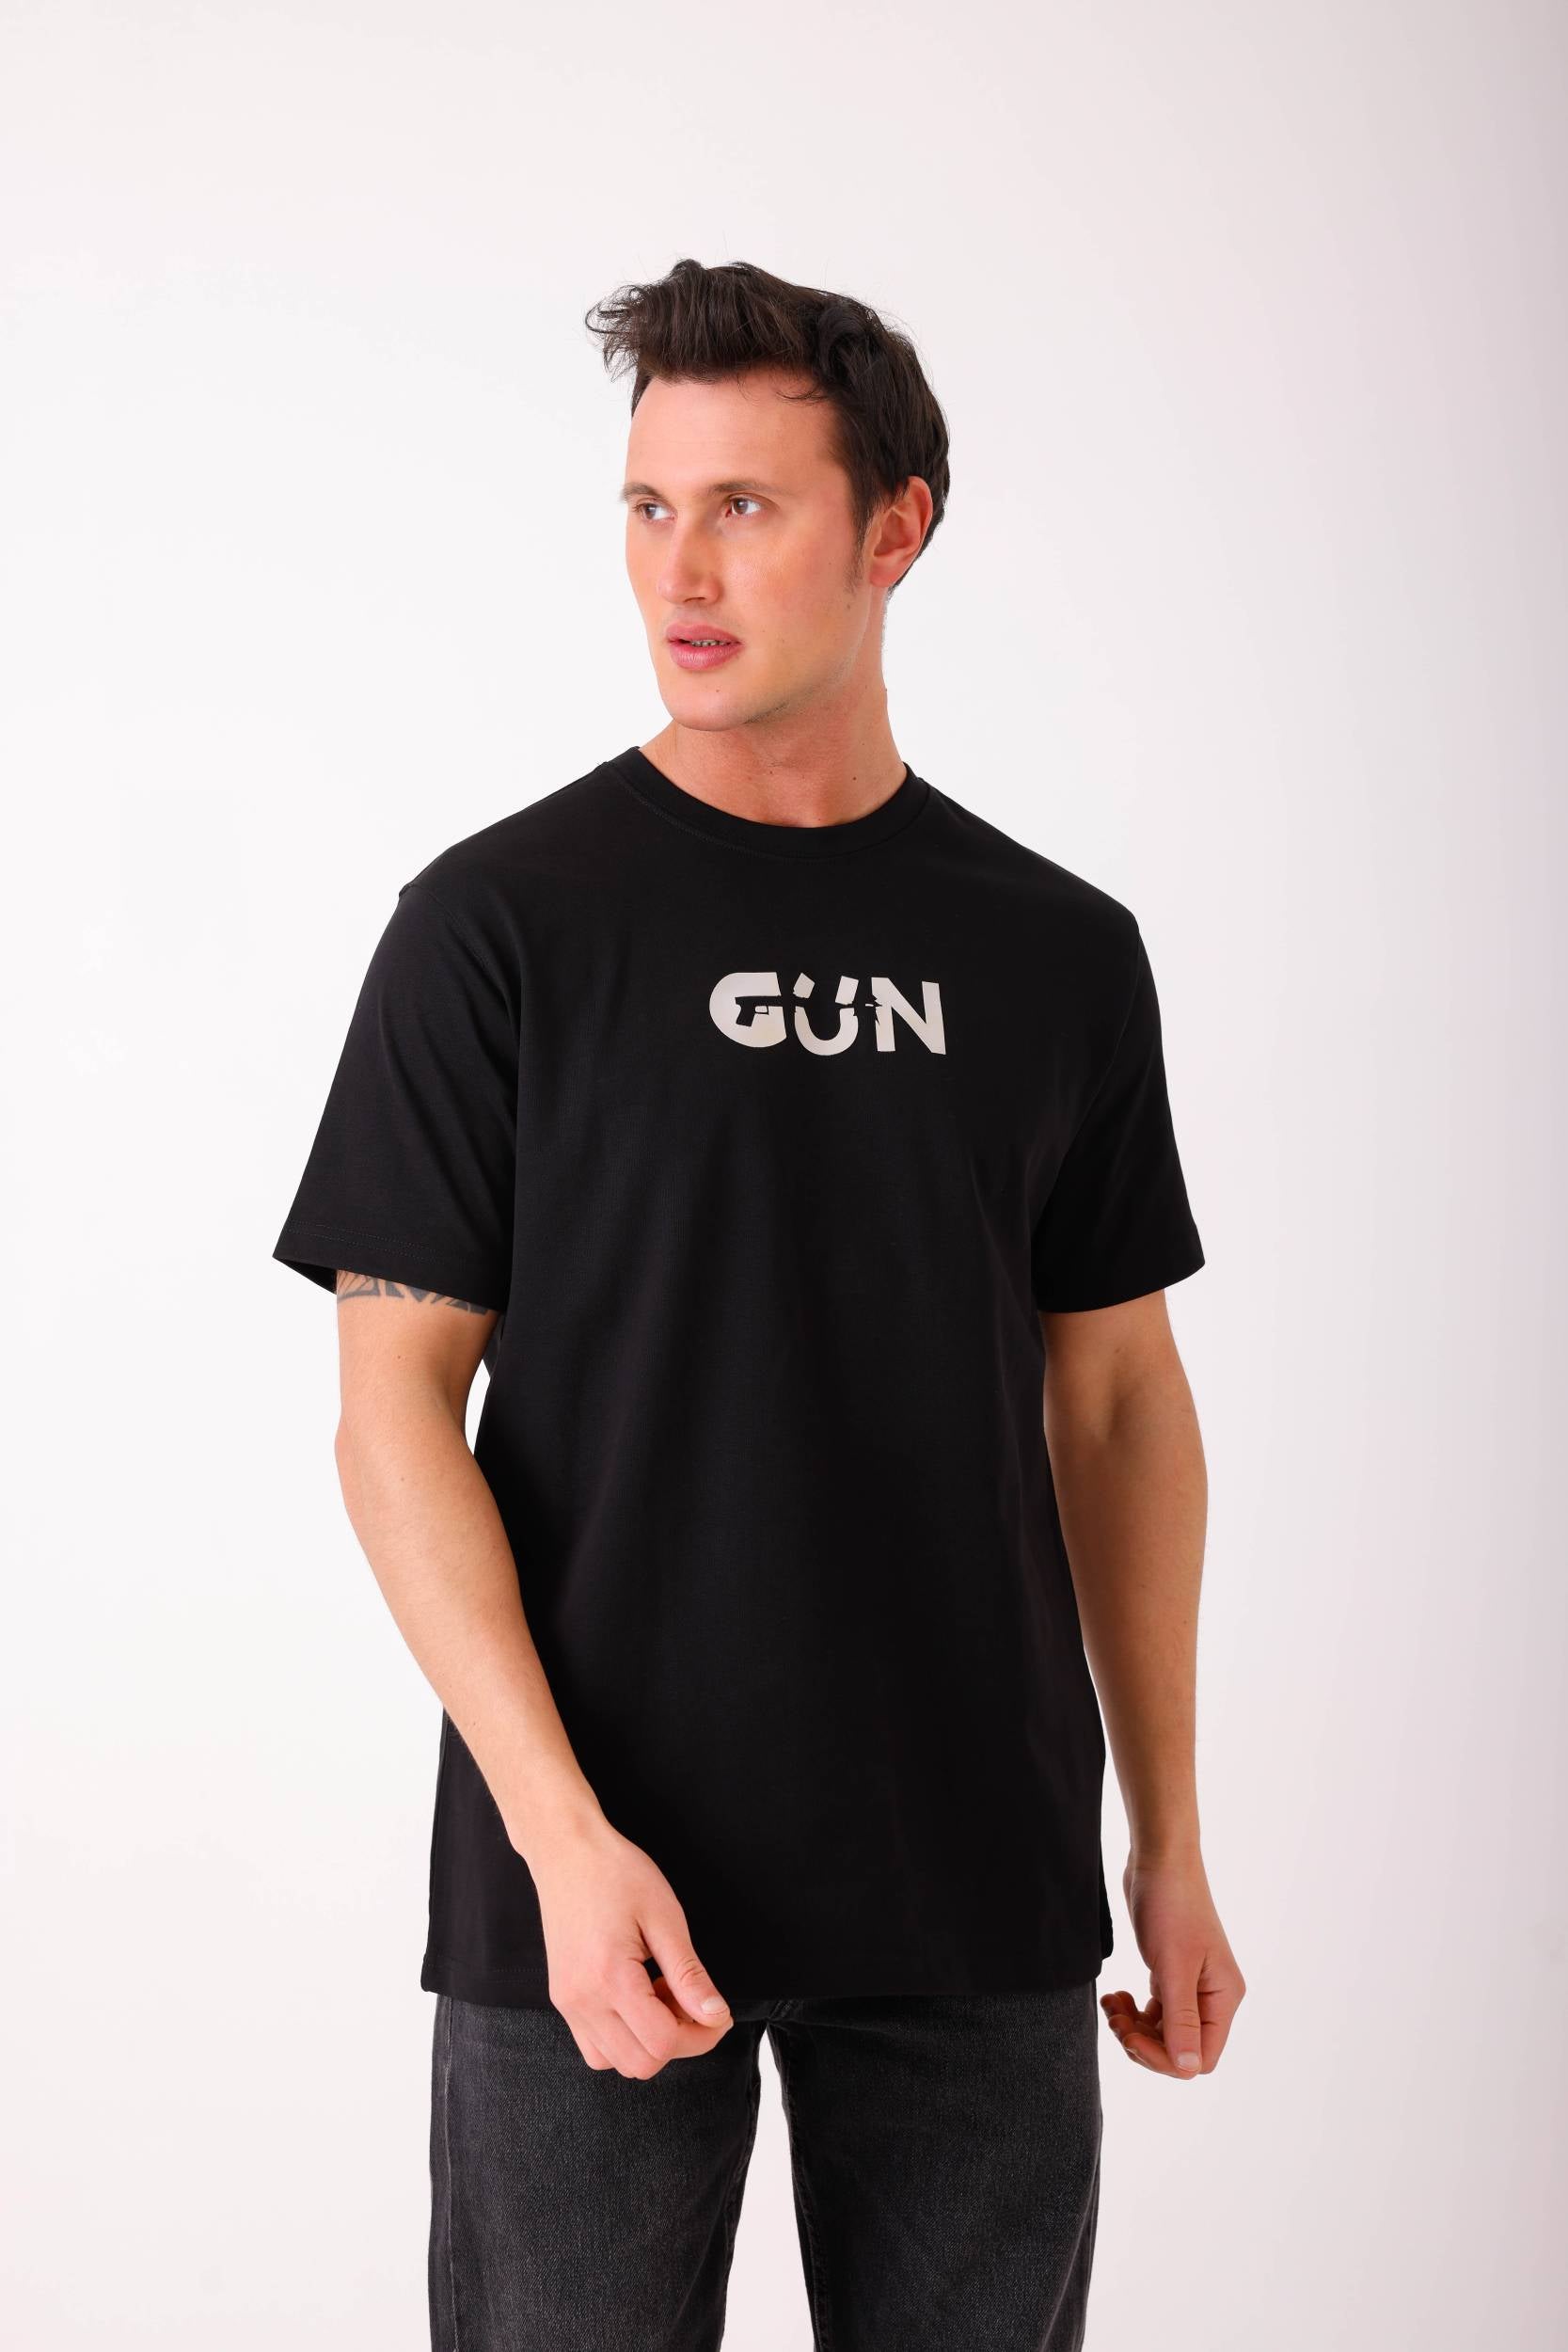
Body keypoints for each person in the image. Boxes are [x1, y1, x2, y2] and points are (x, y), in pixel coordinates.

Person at [272, 256, 1245, 2351]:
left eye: (744, 506)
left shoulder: (1059, 952)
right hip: (596, 1876)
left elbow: (1118, 1405)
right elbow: (390, 1412)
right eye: (649, 505)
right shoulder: (498, 926)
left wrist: (1168, 1838)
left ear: (896, 529)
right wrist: (559, 1835)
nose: (680, 569)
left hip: (974, 1870)